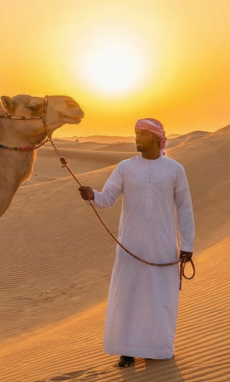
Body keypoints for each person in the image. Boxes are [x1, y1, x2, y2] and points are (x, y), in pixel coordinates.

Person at [78, 118, 195, 368]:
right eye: (135, 134)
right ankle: (127, 350)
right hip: (130, 245)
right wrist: (92, 195)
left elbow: (185, 210)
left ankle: (156, 348)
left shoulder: (175, 169)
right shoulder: (125, 167)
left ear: (156, 138)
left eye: (142, 134)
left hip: (163, 246)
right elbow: (108, 198)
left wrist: (187, 246)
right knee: (128, 295)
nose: (136, 139)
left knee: (158, 297)